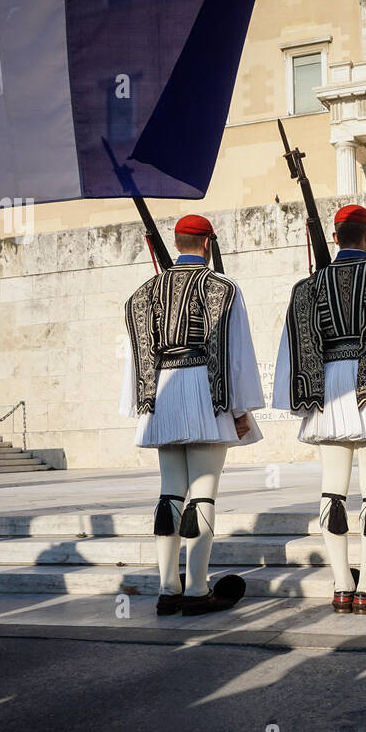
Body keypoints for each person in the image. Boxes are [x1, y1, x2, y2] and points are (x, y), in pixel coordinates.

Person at [273, 205, 366, 614]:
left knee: (332, 492)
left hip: (328, 391)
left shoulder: (306, 287)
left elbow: (296, 347)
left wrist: (304, 398)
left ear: (336, 237)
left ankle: (342, 586)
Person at [120, 214, 264, 615]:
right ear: (207, 243)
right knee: (202, 493)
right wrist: (241, 409)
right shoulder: (223, 288)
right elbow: (237, 352)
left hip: (164, 391)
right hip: (206, 391)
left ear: (178, 241)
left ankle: (168, 591)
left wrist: (142, 404)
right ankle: (197, 590)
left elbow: (138, 353)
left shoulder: (144, 292)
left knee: (169, 493)